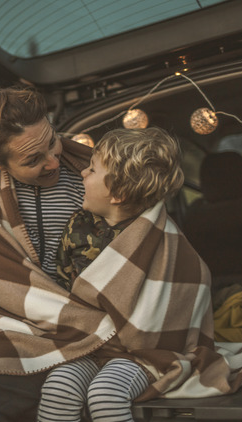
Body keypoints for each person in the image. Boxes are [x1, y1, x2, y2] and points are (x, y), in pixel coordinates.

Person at [0, 88, 242, 422]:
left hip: (116, 322)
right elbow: (5, 280)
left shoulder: (96, 166)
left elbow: (149, 247)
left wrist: (124, 332)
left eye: (51, 142)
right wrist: (101, 330)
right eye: (32, 160)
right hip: (25, 314)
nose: (53, 161)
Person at [37, 127, 183, 422]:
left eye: (91, 170)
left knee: (106, 394)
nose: (82, 174)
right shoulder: (77, 226)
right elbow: (63, 286)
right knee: (58, 387)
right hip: (88, 345)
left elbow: (173, 304)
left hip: (142, 353)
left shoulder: (159, 236)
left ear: (118, 193)